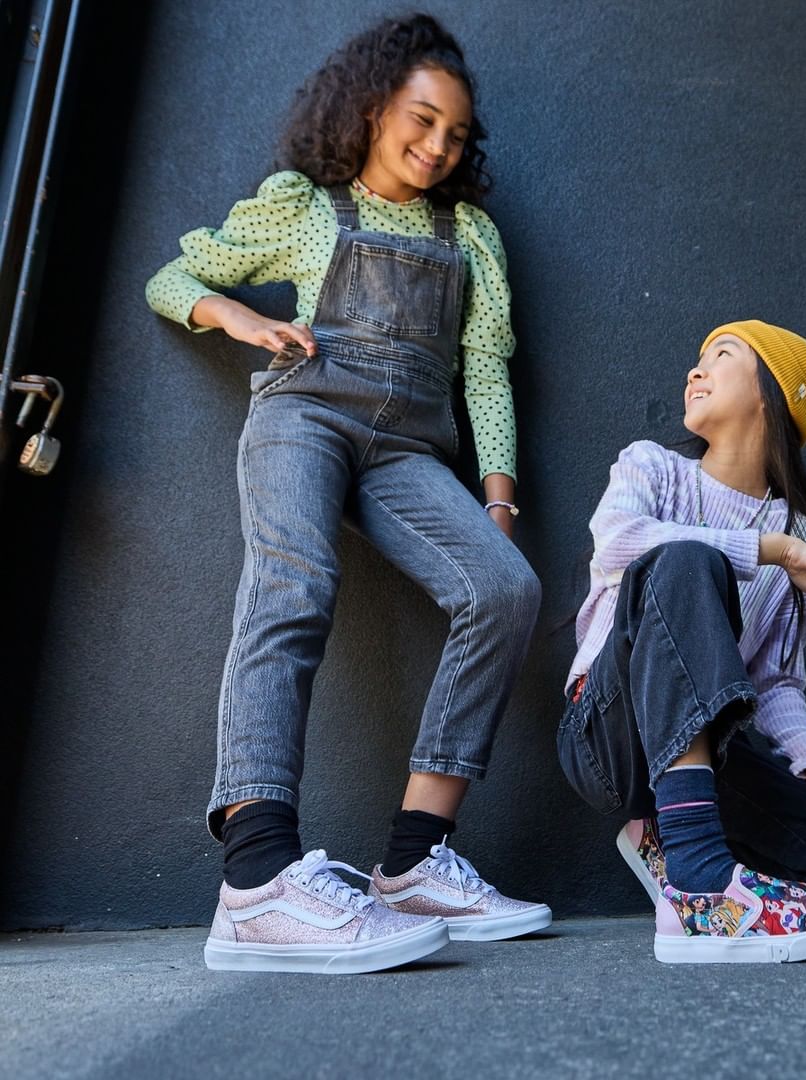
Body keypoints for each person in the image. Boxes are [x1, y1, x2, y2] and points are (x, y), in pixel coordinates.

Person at [146, 13, 549, 974]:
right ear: (371, 109)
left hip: (408, 449)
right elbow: (171, 276)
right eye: (421, 119)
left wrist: (497, 503)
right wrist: (239, 318)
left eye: (455, 133)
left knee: (505, 590)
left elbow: (484, 371)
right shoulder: (304, 206)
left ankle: (413, 861)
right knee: (292, 590)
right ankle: (255, 881)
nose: (437, 146)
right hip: (307, 415)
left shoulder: (471, 234)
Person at [557, 319, 806, 963]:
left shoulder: (800, 534)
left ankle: (668, 837)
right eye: (699, 358)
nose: (695, 370)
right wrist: (774, 552)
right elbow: (616, 542)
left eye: (721, 355)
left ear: (774, 396)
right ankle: (699, 884)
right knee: (688, 562)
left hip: (714, 750)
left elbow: (775, 681)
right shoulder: (653, 467)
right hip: (608, 735)